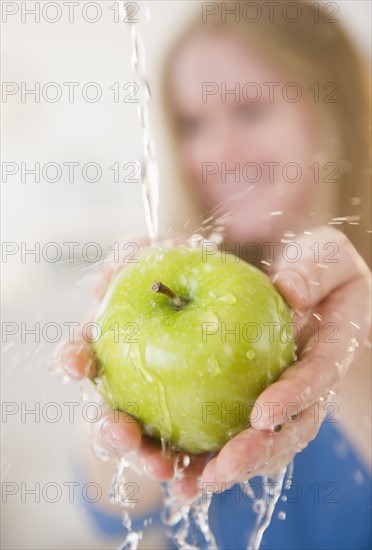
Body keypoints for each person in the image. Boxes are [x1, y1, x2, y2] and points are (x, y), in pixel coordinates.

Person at [57, 1, 371, 548]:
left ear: (332, 107)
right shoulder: (167, 276)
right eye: (193, 123)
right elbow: (112, 511)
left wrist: (351, 346)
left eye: (250, 110)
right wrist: (110, 399)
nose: (218, 153)